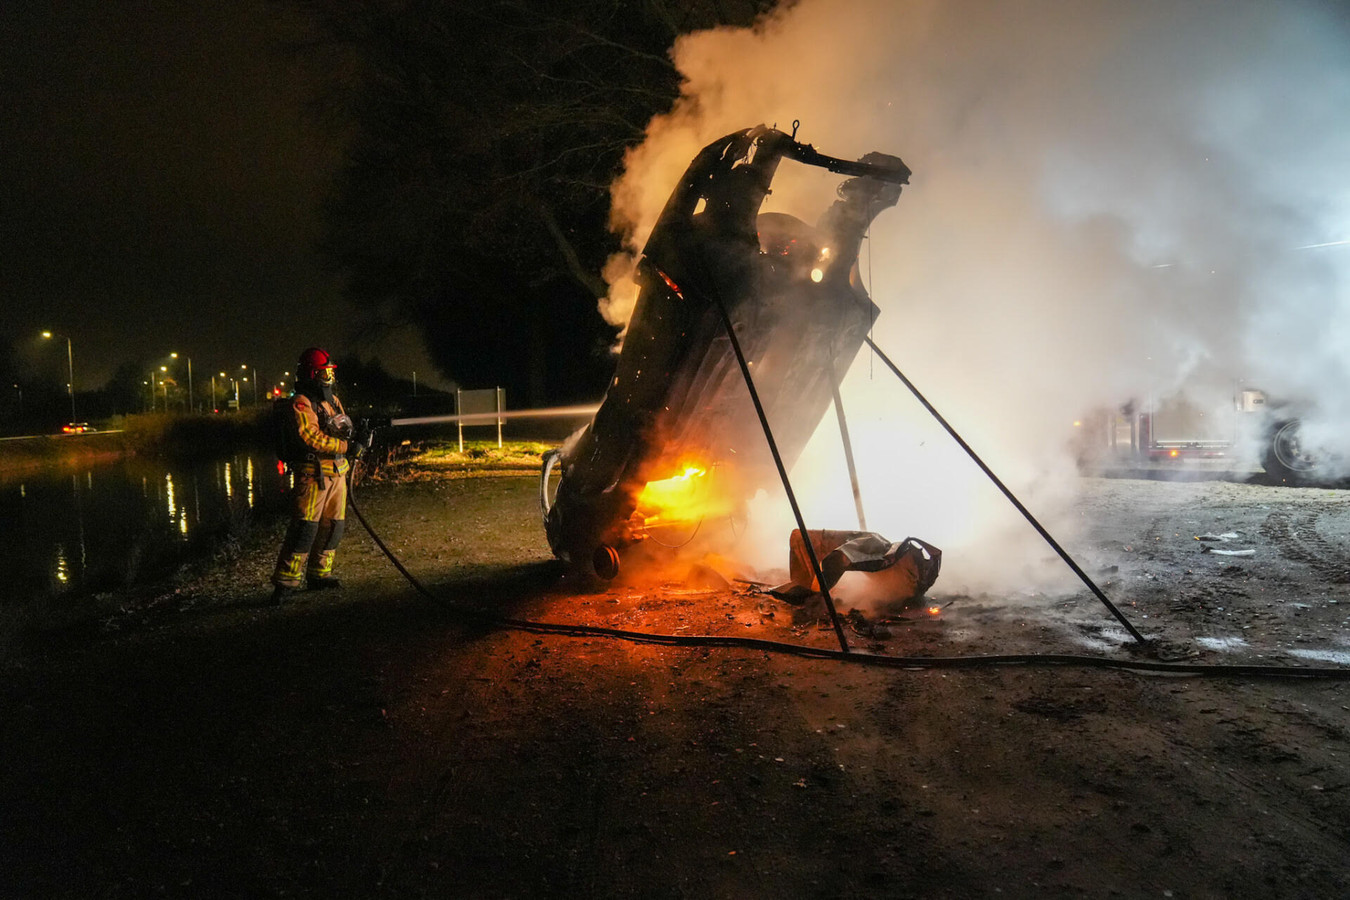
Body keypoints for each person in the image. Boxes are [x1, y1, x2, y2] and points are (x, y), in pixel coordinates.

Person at [269, 347, 371, 605]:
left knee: (333, 527)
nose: (329, 378)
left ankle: (319, 575)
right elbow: (311, 438)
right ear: (312, 374)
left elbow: (341, 427)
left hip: (337, 474)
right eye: (324, 373)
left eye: (330, 373)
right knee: (304, 529)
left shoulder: (332, 401)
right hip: (313, 475)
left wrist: (358, 437)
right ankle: (285, 583)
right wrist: (348, 447)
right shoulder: (301, 402)